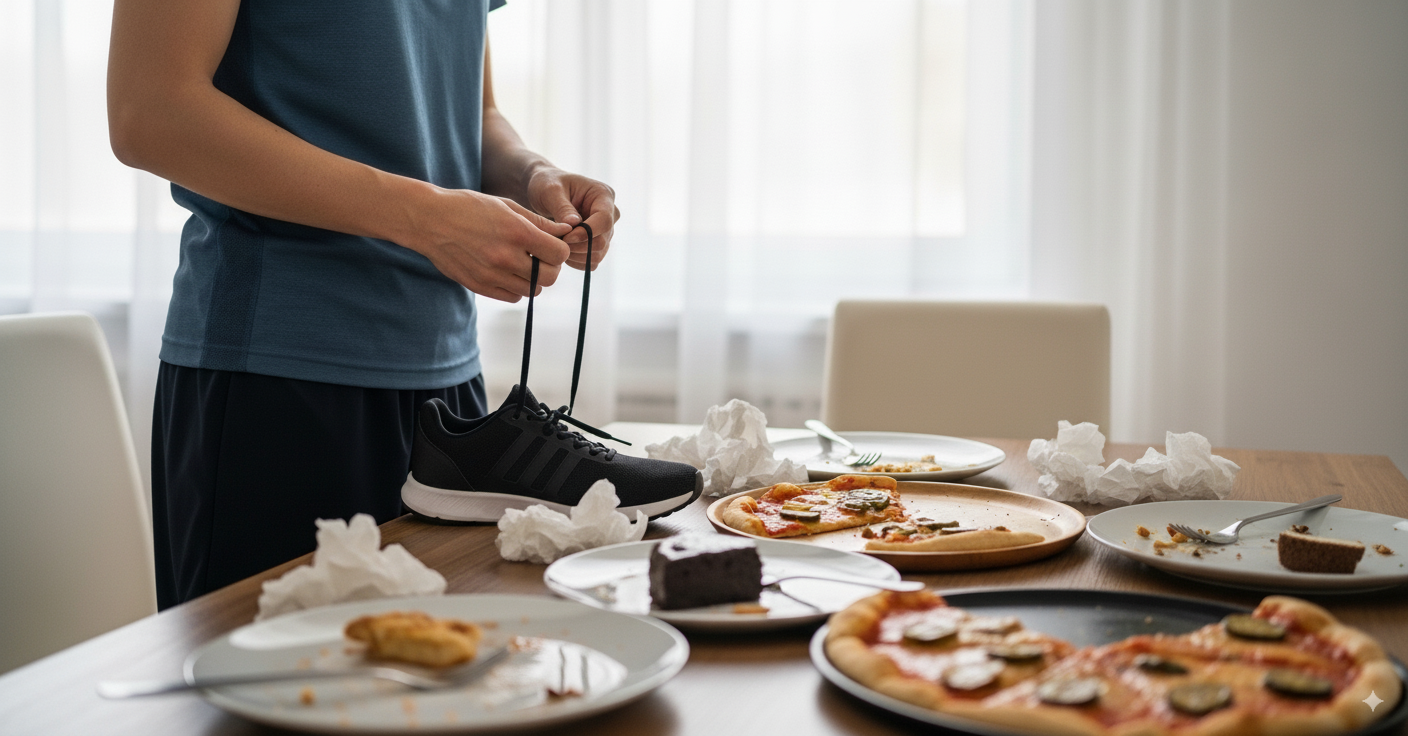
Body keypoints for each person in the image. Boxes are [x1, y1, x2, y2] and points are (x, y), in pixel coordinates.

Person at [107, 0, 619, 608]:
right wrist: (426, 218)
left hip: (447, 383)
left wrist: (533, 174)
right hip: (274, 381)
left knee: (449, 687)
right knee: (277, 688)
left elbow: (466, 110)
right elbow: (151, 112)